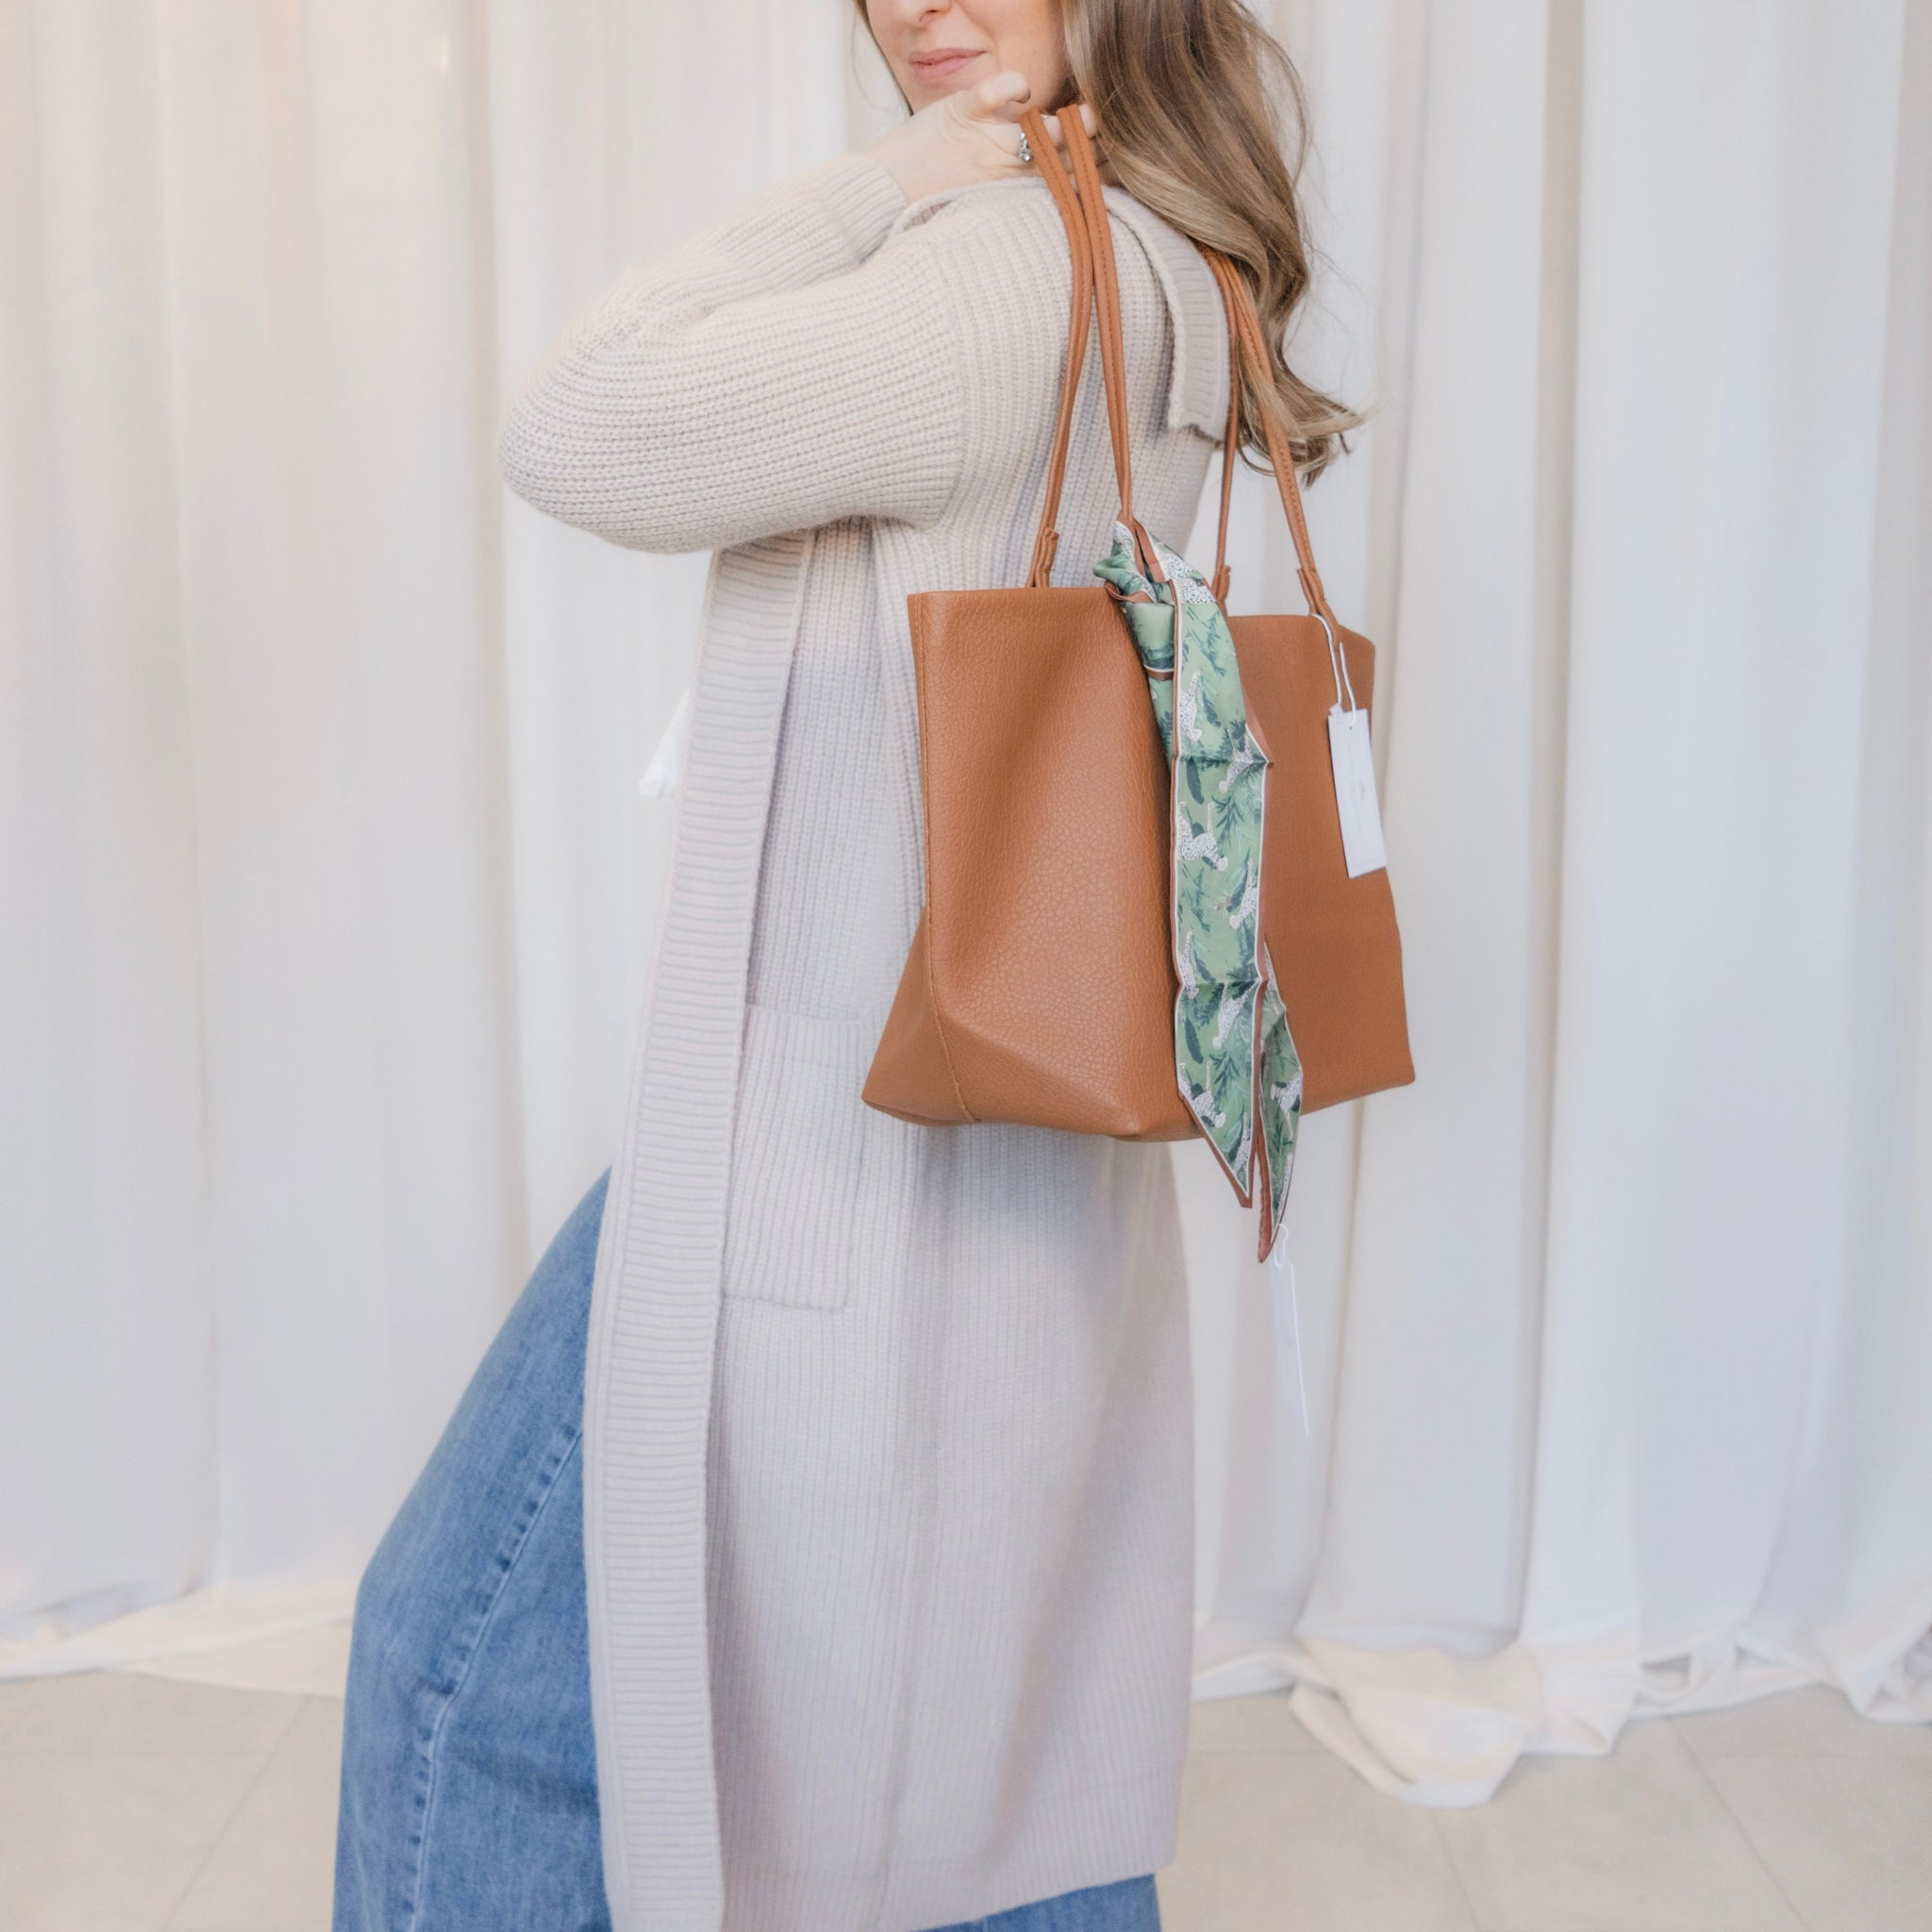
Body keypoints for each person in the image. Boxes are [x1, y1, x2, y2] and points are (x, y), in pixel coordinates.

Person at [332, 3, 1350, 1928]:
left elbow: (579, 419)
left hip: (807, 1157)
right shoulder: (1161, 257)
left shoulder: (994, 271)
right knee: (993, 1776)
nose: (921, 8)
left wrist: (874, 180)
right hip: (1007, 1165)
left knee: (461, 1678)